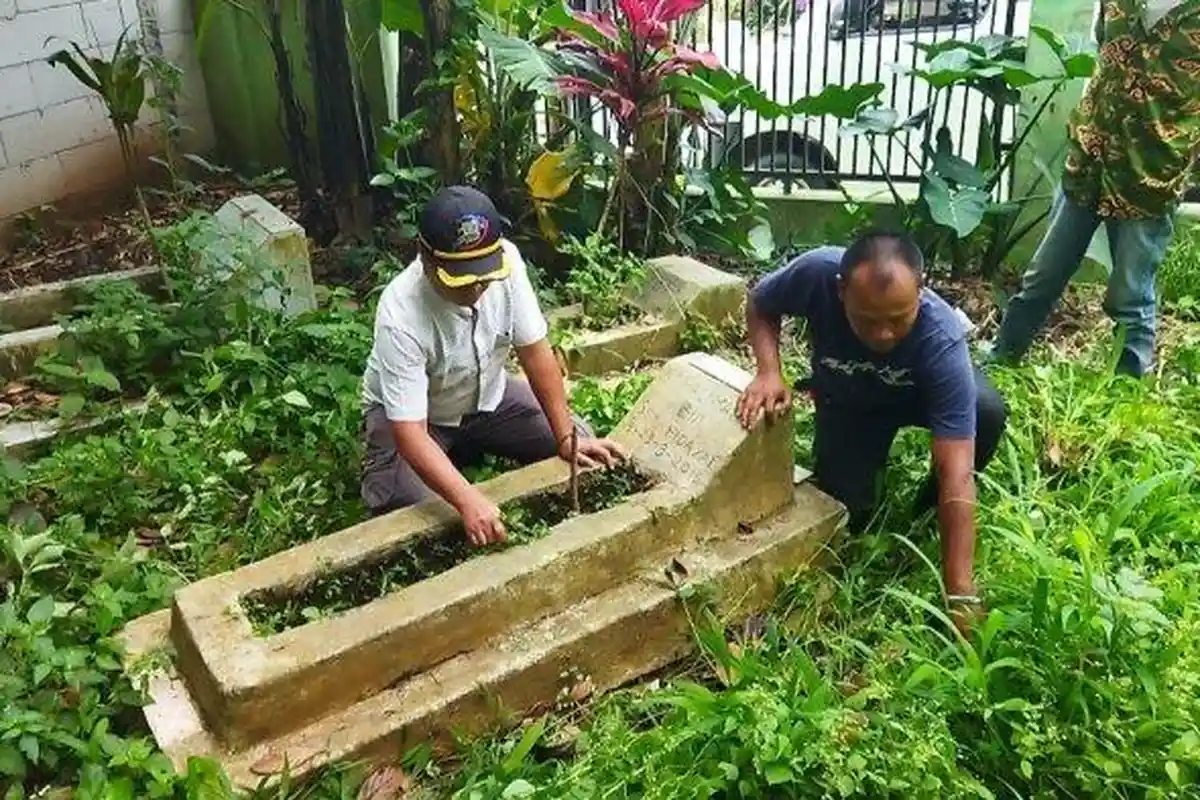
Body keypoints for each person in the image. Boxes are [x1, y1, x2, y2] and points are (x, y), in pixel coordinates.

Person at [735, 232, 1007, 631]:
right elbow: (761, 302)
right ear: (841, 291)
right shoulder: (817, 273)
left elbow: (958, 472)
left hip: (916, 396)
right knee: (848, 515)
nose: (883, 335)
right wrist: (769, 372)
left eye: (898, 319)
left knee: (985, 412)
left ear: (921, 292)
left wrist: (960, 592)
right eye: (867, 320)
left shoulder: (941, 337)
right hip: (850, 402)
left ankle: (928, 509)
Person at [360, 185, 626, 546]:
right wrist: (467, 500)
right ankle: (431, 463)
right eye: (462, 279)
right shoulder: (401, 313)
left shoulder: (508, 262)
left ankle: (467, 447)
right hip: (421, 417)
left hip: (488, 397)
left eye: (484, 275)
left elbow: (535, 353)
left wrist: (565, 437)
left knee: (582, 444)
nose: (476, 288)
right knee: (411, 508)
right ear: (425, 257)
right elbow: (410, 433)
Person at [991, 0, 1199, 377]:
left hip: (1151, 173)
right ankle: (1000, 360)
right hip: (1091, 159)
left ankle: (1124, 390)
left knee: (1131, 296)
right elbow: (1106, 49)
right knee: (1043, 276)